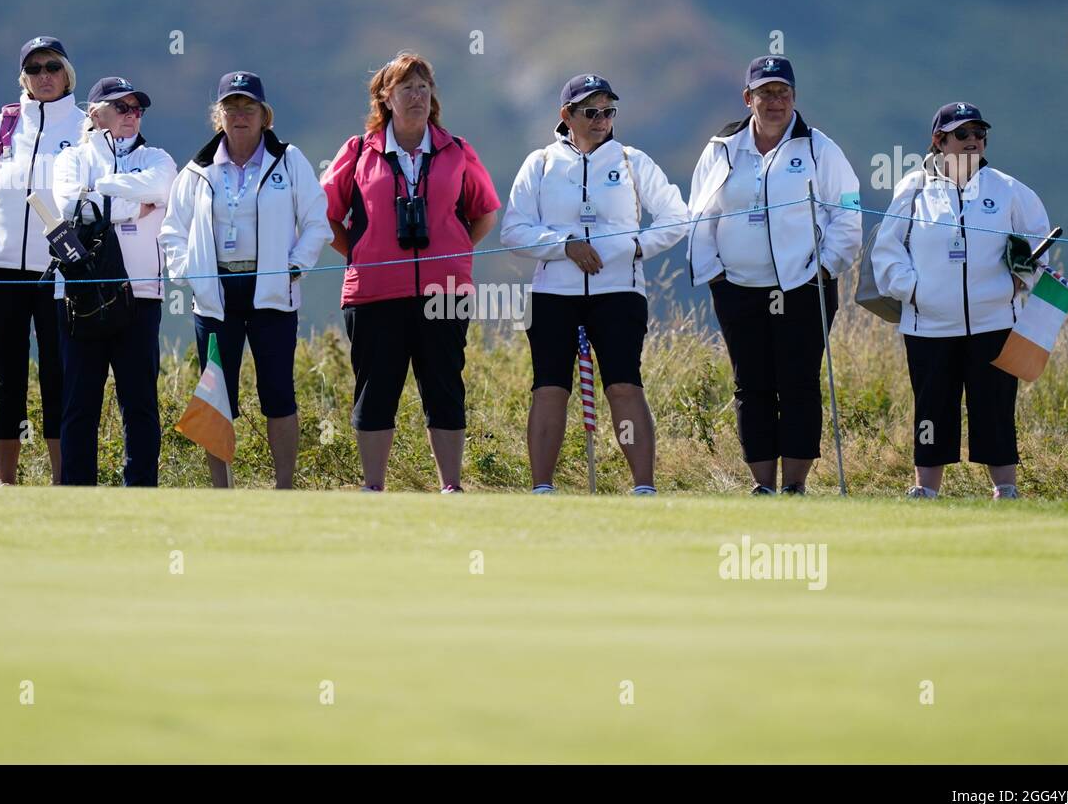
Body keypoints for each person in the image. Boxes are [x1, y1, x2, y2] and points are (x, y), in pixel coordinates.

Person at [322, 52, 501, 493]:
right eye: (407, 88)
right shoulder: (359, 151)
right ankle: (374, 487)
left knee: (444, 386)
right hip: (374, 293)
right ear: (385, 96)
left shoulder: (456, 150)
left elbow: (486, 212)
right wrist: (360, 253)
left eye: (424, 87)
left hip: (444, 292)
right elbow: (324, 215)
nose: (417, 96)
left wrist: (453, 251)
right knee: (375, 388)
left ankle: (451, 487)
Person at [500, 74, 688, 495]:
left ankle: (643, 487)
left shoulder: (633, 161)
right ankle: (542, 489)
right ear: (566, 116)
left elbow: (678, 217)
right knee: (549, 388)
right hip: (554, 293)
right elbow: (513, 231)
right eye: (591, 112)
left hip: (619, 291)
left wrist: (636, 247)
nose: (602, 120)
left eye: (608, 111)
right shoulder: (541, 162)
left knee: (623, 386)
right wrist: (563, 245)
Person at [687, 56, 863, 495]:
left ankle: (796, 485)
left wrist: (823, 269)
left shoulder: (820, 149)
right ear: (748, 99)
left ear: (795, 97)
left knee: (799, 383)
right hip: (737, 288)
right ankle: (762, 485)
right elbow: (700, 215)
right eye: (765, 93)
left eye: (783, 92)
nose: (775, 101)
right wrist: (715, 275)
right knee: (752, 385)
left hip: (804, 288)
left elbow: (849, 217)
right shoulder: (722, 147)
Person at [872, 102, 1051, 500]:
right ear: (939, 141)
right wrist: (913, 290)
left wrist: (1024, 271)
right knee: (932, 409)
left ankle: (1005, 490)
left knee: (995, 409)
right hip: (928, 324)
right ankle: (925, 490)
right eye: (962, 135)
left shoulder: (1008, 189)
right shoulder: (913, 188)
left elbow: (1039, 245)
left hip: (994, 321)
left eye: (979, 134)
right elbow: (887, 250)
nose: (973, 141)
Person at [161, 72, 332, 489]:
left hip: (272, 294)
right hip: (216, 297)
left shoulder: (289, 160)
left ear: (264, 115)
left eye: (248, 108)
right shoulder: (197, 169)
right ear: (218, 116)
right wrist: (190, 274)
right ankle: (222, 490)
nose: (240, 115)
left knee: (278, 394)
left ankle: (284, 488)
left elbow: (316, 221)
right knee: (217, 399)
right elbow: (172, 230)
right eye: (231, 108)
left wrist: (296, 266)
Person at [51, 77, 176, 486]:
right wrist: (133, 204)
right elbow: (71, 204)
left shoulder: (158, 156)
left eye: (137, 109)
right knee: (79, 401)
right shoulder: (72, 158)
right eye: (121, 107)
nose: (131, 115)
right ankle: (76, 491)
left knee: (139, 402)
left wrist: (100, 191)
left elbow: (161, 187)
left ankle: (140, 489)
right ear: (95, 114)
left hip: (141, 294)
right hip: (82, 293)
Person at [0, 36, 87, 484]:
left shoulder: (84, 127)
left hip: (58, 272)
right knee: (7, 377)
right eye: (35, 68)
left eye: (52, 67)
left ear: (66, 74)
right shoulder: (3, 127)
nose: (44, 76)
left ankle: (62, 482)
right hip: (0, 271)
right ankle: (6, 482)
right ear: (24, 76)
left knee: (57, 374)